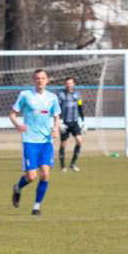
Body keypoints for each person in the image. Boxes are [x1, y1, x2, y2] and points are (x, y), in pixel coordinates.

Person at [10, 69, 60, 216]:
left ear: (47, 80)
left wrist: (56, 129)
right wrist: (18, 125)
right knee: (32, 176)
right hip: (30, 141)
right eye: (37, 78)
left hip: (46, 141)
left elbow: (56, 116)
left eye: (43, 78)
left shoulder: (52, 98)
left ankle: (36, 207)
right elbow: (12, 114)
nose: (40, 81)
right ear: (33, 80)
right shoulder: (25, 95)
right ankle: (18, 187)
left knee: (45, 173)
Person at [57, 77, 85, 172]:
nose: (69, 85)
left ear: (73, 84)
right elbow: (57, 108)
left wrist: (83, 121)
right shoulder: (61, 94)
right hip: (64, 122)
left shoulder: (77, 94)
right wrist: (59, 121)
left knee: (79, 141)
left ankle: (73, 164)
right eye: (67, 83)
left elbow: (80, 106)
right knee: (63, 144)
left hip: (74, 122)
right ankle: (62, 166)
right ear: (65, 84)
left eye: (70, 83)